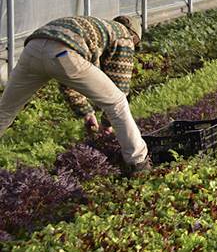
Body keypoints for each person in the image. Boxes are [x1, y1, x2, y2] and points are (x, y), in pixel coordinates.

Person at [0, 15, 151, 176]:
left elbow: (67, 75)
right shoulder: (124, 35)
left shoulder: (96, 26)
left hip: (32, 49)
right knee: (117, 101)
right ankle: (138, 162)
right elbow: (120, 83)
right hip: (63, 52)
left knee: (6, 110)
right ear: (134, 36)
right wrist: (107, 124)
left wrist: (87, 113)